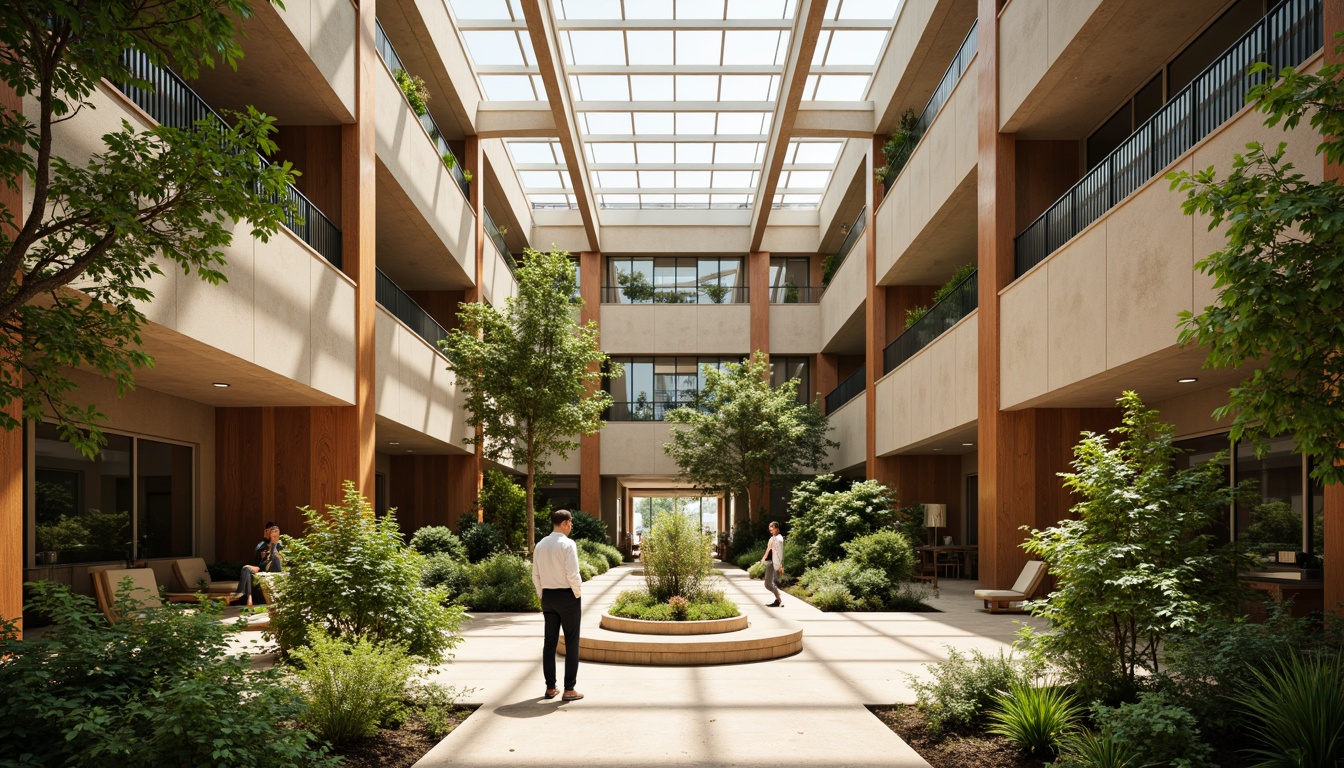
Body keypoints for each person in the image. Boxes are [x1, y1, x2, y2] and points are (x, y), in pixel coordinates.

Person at [532, 509, 584, 702]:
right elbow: (573, 574)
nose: (571, 526)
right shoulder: (568, 544)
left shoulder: (540, 544)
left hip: (548, 597)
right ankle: (569, 689)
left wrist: (542, 595)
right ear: (564, 523)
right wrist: (577, 594)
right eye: (570, 522)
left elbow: (535, 575)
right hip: (567, 597)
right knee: (571, 642)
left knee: (549, 643)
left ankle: (550, 688)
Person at [232, 522, 283, 606]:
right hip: (261, 566)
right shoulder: (262, 544)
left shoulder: (278, 543)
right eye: (269, 530)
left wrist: (273, 543)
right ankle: (245, 596)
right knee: (246, 569)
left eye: (273, 530)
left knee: (250, 569)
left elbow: (277, 557)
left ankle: (246, 597)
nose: (271, 532)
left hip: (271, 566)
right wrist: (265, 543)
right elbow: (257, 559)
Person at [761, 521, 785, 608]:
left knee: (770, 583)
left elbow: (779, 542)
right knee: (768, 583)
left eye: (771, 527)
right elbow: (768, 549)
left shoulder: (779, 538)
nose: (770, 530)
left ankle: (779, 600)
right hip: (770, 562)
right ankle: (778, 598)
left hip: (775, 563)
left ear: (776, 528)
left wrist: (780, 565)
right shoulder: (772, 538)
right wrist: (763, 559)